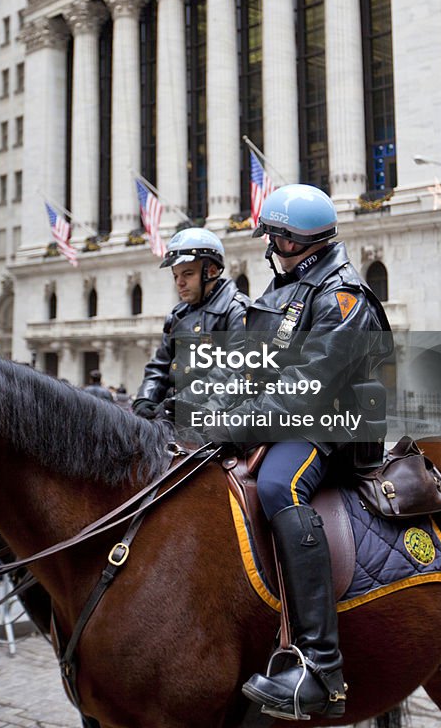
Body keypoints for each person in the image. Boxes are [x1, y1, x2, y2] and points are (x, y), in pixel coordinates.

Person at [178, 184, 390, 721]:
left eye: (273, 235)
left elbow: (309, 384)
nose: (268, 243)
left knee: (277, 485)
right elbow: (244, 369)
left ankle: (321, 664)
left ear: (296, 240)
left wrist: (238, 424)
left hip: (332, 426)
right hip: (285, 419)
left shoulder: (344, 296)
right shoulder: (280, 293)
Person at [132, 228, 249, 419]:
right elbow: (159, 366)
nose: (179, 282)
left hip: (214, 417)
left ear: (211, 271)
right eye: (176, 276)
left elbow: (235, 370)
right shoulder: (177, 314)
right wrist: (144, 400)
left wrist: (180, 404)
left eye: (187, 274)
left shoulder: (236, 310)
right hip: (172, 414)